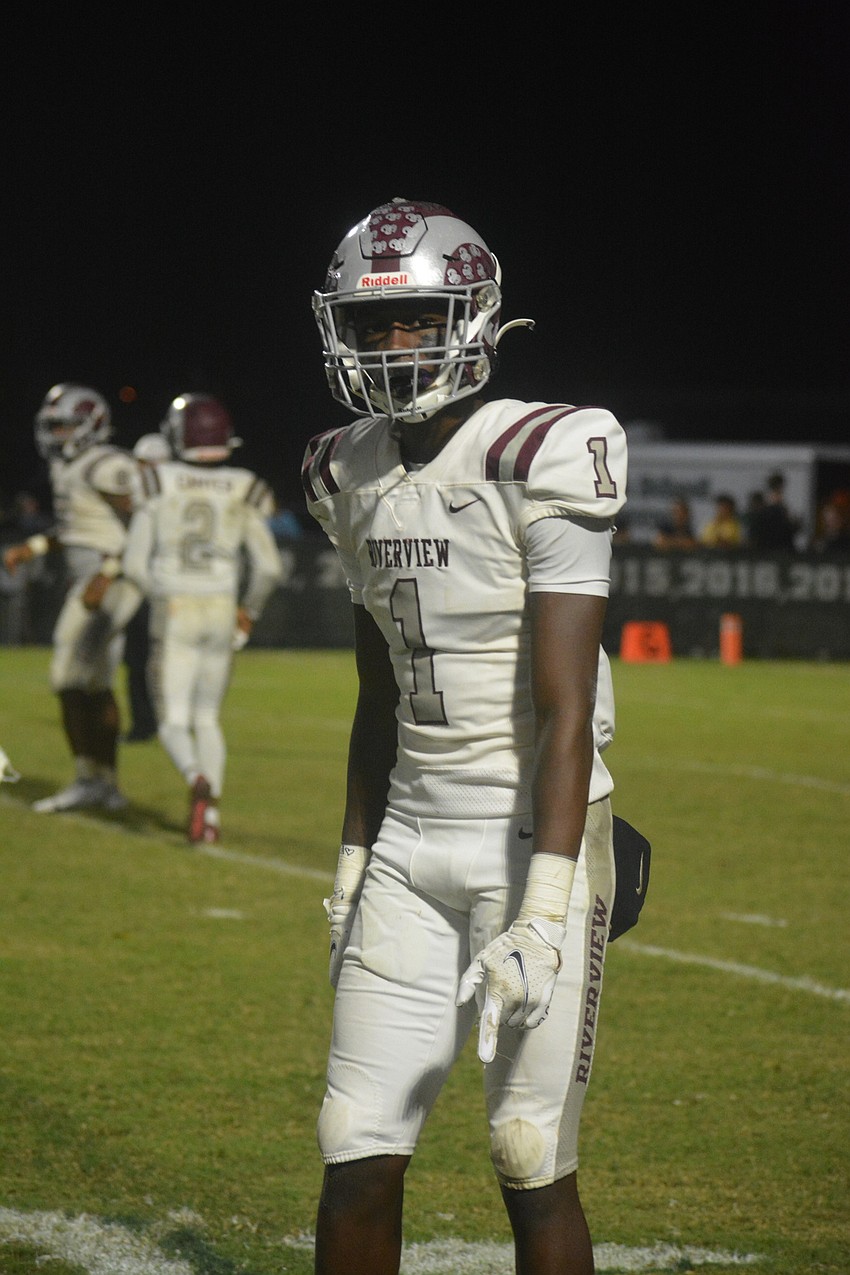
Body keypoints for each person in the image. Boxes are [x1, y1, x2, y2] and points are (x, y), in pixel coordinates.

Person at [302, 198, 628, 1275]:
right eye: (373, 323)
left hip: (528, 838)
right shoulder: (342, 469)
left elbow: (566, 706)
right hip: (407, 844)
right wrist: (354, 860)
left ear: (475, 316)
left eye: (419, 319)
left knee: (528, 1152)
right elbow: (374, 696)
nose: (395, 346)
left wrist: (547, 903)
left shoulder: (540, 448)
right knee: (355, 1146)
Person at [122, 393, 282, 844]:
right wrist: (247, 612)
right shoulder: (245, 484)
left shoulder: (158, 481)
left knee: (173, 721)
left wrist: (160, 594)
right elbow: (269, 568)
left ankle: (195, 778)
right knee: (208, 718)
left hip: (175, 607)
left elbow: (135, 566)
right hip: (220, 607)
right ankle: (210, 821)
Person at [2, 383, 143, 812]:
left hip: (111, 580)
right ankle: (105, 785)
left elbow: (146, 526)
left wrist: (109, 571)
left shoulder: (108, 464)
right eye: (53, 426)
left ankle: (89, 779)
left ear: (91, 424)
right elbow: (77, 530)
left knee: (67, 678)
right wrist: (36, 547)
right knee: (94, 683)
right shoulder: (70, 465)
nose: (56, 434)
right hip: (94, 578)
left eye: (64, 426)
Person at [122, 434, 173, 742]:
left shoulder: (161, 493)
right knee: (138, 658)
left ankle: (164, 723)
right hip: (149, 585)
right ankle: (147, 724)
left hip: (167, 584)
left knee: (162, 661)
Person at [747, 471, 800, 551]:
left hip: (779, 549)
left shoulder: (782, 509)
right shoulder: (765, 510)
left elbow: (790, 530)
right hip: (767, 550)